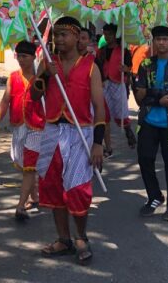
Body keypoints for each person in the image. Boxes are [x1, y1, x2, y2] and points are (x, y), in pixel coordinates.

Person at [31, 16, 104, 265]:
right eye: (56, 35)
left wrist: (98, 143)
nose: (59, 39)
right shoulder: (48, 63)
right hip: (52, 131)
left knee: (77, 189)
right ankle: (63, 239)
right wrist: (45, 75)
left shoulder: (91, 66)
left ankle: (81, 237)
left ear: (76, 36)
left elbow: (99, 106)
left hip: (80, 132)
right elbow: (34, 95)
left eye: (64, 35)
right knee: (52, 187)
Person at [134, 25, 168, 222]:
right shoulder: (146, 64)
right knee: (144, 159)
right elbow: (138, 94)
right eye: (158, 39)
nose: (162, 43)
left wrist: (149, 93)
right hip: (148, 121)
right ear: (153, 42)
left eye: (165, 39)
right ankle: (154, 196)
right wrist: (157, 99)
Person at [0, 40, 44, 220]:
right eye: (19, 56)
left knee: (29, 167)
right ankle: (35, 197)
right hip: (18, 127)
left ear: (33, 57)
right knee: (23, 164)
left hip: (37, 128)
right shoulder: (13, 77)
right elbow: (5, 101)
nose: (21, 59)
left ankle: (20, 206)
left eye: (25, 56)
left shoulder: (41, 79)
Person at [95, 24, 136, 148]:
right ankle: (103, 142)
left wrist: (126, 69)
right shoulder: (101, 51)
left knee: (121, 110)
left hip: (118, 82)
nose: (107, 37)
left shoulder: (123, 51)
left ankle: (129, 132)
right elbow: (97, 66)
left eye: (110, 34)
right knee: (102, 110)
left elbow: (130, 66)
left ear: (115, 35)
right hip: (104, 83)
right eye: (105, 34)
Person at [78, 28, 112, 157]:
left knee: (99, 123)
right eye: (78, 38)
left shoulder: (93, 61)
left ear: (89, 42)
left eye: (84, 38)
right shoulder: (66, 60)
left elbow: (101, 83)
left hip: (90, 102)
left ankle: (103, 147)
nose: (80, 41)